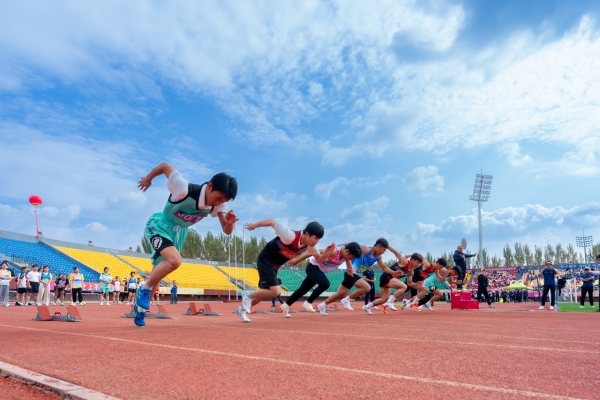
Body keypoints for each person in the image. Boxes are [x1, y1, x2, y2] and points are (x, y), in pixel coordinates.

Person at [135, 162, 238, 327]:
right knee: (175, 260)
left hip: (178, 233)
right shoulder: (182, 188)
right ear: (209, 186)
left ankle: (140, 310)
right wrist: (148, 179)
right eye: (218, 198)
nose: (218, 204)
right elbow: (164, 166)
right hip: (160, 226)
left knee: (157, 274)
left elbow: (226, 230)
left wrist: (230, 223)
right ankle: (143, 289)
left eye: (223, 201)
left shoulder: (219, 205)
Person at [238, 219, 323, 322]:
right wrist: (254, 226)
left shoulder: (310, 246)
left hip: (275, 267)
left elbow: (318, 259)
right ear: (307, 234)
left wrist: (326, 254)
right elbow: (271, 222)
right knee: (275, 291)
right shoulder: (290, 236)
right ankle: (247, 295)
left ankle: (241, 310)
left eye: (319, 239)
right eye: (316, 238)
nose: (317, 241)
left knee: (263, 294)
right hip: (266, 260)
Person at [317, 239, 397, 316]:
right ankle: (346, 299)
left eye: (385, 251)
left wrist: (394, 272)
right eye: (383, 250)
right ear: (378, 246)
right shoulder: (366, 249)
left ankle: (322, 305)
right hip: (350, 273)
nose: (383, 252)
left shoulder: (378, 257)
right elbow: (352, 245)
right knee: (366, 288)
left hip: (355, 275)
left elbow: (384, 267)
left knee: (339, 294)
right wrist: (339, 247)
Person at [282, 242, 362, 316]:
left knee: (302, 290)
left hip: (319, 271)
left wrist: (350, 271)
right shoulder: (334, 252)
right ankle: (308, 302)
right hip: (313, 267)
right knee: (325, 284)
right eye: (352, 257)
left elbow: (349, 267)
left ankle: (286, 305)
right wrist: (297, 260)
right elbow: (312, 252)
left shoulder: (346, 257)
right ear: (347, 251)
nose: (351, 259)